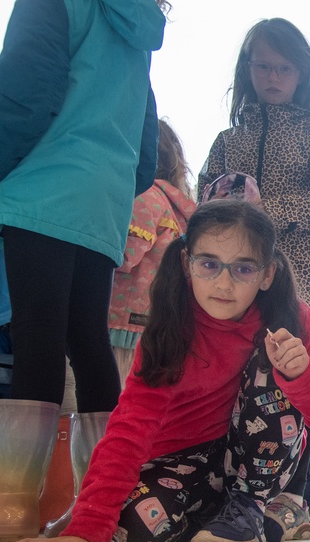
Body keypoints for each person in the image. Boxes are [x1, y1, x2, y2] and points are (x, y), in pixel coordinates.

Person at [1, 199, 310, 542]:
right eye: (209, 265)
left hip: (255, 461)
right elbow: (129, 427)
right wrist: (89, 525)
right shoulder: (171, 326)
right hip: (186, 461)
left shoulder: (292, 319)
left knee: (272, 361)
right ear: (187, 264)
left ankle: (250, 505)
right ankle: (262, 517)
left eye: (243, 269)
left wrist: (303, 374)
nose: (224, 283)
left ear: (267, 275)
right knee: (136, 530)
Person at [198, 17, 310, 540]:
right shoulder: (227, 139)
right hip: (236, 289)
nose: (272, 76)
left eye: (283, 67)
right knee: (243, 384)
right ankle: (236, 496)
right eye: (262, 65)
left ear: (302, 73)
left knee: (298, 382)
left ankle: (295, 501)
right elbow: (203, 203)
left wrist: (269, 212)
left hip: (303, 281)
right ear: (247, 70)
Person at [0, 0, 165, 417]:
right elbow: (146, 150)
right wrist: (105, 188)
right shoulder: (134, 27)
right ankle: (104, 479)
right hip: (101, 204)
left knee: (37, 335)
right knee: (88, 342)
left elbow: (26, 100)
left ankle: (24, 483)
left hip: (42, 189)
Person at [108, 119, 197, 386]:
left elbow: (123, 256)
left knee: (108, 395)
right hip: (148, 320)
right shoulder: (175, 205)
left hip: (121, 321)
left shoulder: (144, 197)